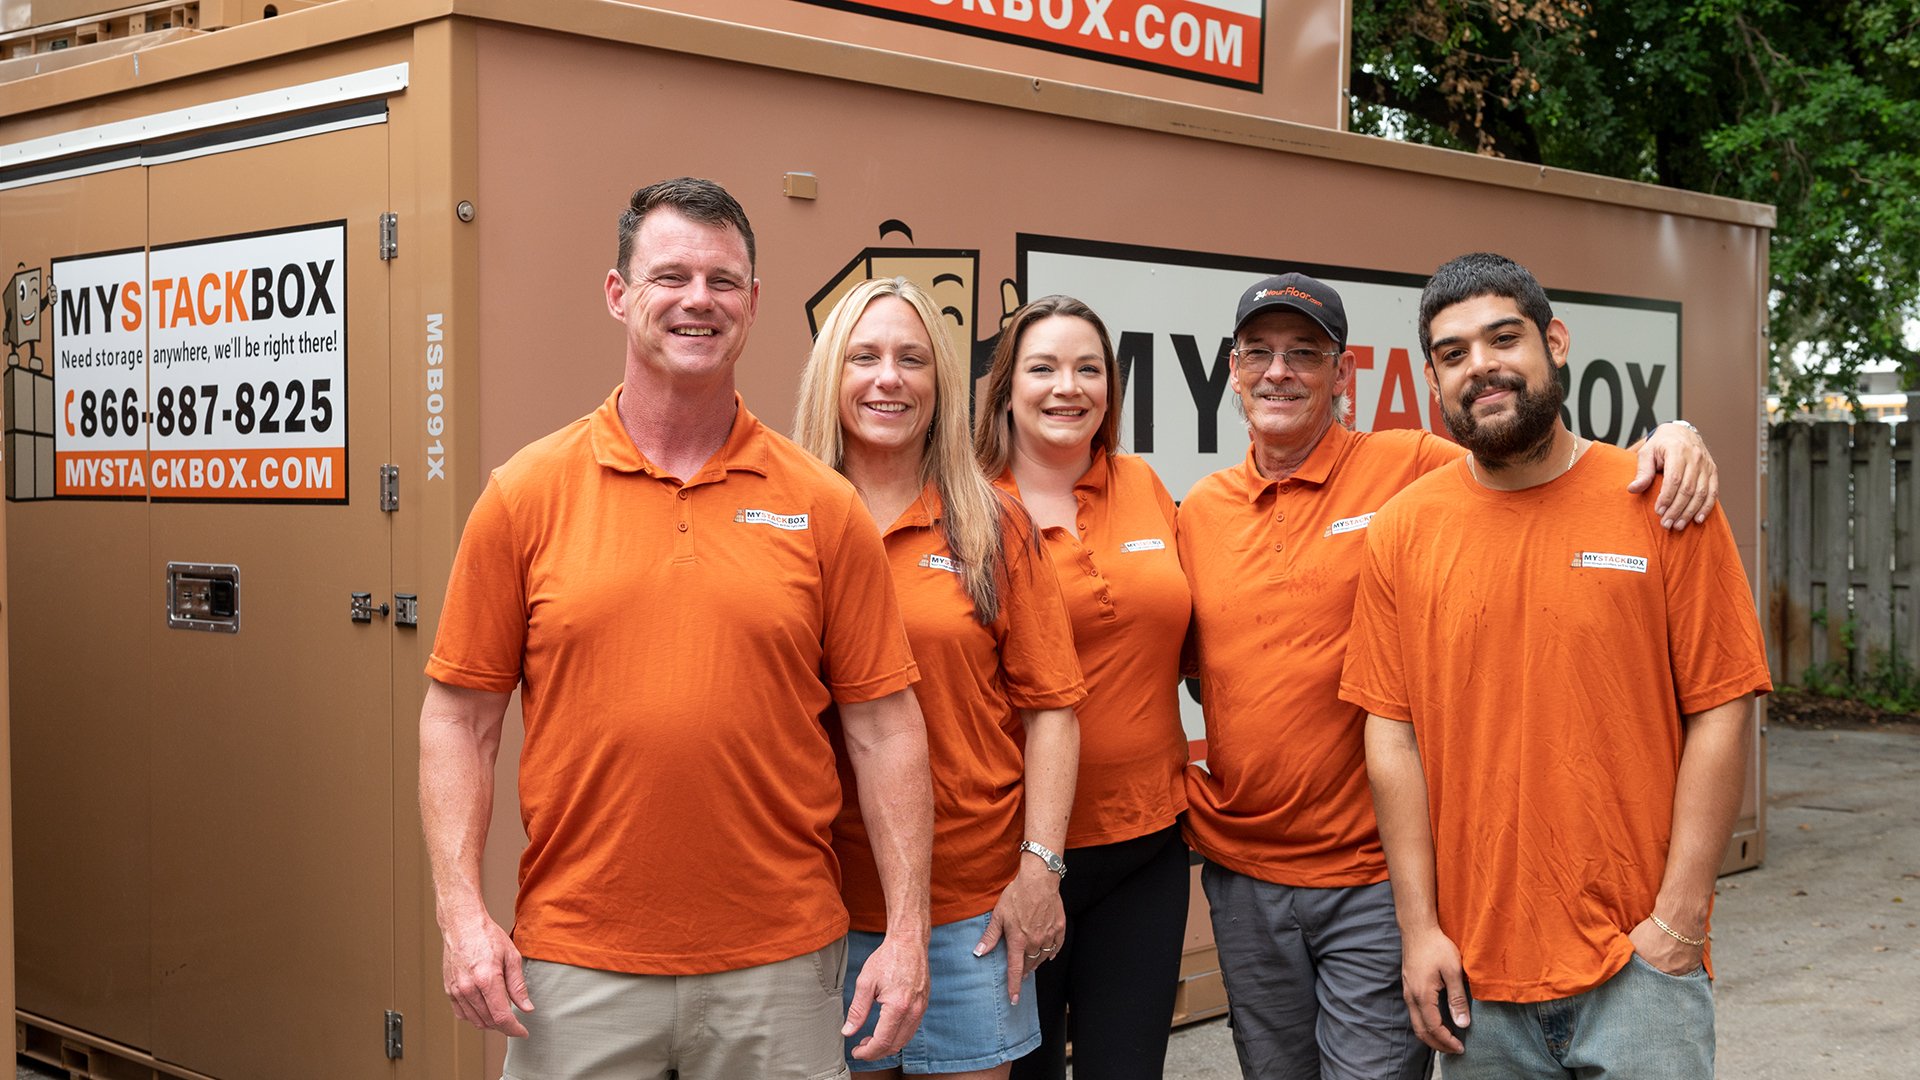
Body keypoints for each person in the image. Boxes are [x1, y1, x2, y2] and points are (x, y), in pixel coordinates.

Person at [418, 178, 936, 1080]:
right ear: (619, 295)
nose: (699, 300)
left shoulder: (821, 506)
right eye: (671, 276)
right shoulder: (526, 494)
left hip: (779, 966)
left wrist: (908, 930)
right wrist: (462, 915)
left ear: (754, 305)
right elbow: (459, 720)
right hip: (576, 964)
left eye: (724, 281)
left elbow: (885, 726)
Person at [1177, 271, 1720, 1080]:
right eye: (1258, 353)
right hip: (1245, 872)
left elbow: (1524, 448)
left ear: (1344, 374)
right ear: (1231, 369)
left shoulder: (1406, 471)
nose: (1279, 371)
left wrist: (1671, 433)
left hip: (1370, 874)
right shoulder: (1197, 511)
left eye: (1305, 353)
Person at [1342, 251, 1771, 1077]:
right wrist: (1419, 930)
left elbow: (1721, 705)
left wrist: (1679, 923)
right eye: (1454, 353)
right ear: (1433, 379)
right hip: (1477, 979)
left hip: (1638, 971)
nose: (1482, 368)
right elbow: (1390, 738)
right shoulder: (1402, 530)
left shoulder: (1661, 500)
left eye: (1504, 338)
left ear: (1557, 341)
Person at [794, 276, 1085, 1080]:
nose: (889, 378)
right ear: (831, 376)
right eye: (865, 356)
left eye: (912, 359)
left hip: (968, 911)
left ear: (941, 383)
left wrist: (1039, 870)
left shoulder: (992, 524)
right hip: (815, 909)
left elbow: (1053, 712)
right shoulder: (786, 522)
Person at [972, 296, 1195, 1080]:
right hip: (1012, 860)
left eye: (1088, 369)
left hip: (1147, 848)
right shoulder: (967, 507)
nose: (1068, 386)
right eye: (1043, 368)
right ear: (1005, 389)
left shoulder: (1142, 484)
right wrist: (1032, 866)